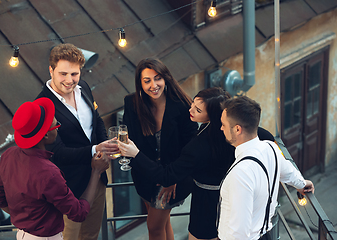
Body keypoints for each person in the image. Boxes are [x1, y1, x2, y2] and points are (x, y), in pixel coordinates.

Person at [119, 87, 276, 240]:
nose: (191, 110)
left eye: (198, 110)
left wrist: (135, 154)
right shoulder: (237, 132)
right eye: (193, 104)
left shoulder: (198, 146)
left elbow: (166, 177)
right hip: (232, 198)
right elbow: (268, 137)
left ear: (213, 115)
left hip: (206, 205)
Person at [0, 98, 109, 240]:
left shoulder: (8, 155)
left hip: (22, 235)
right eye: (55, 125)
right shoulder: (49, 173)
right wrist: (96, 172)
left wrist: (25, 220)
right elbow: (79, 213)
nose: (58, 127)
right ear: (46, 135)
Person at [36, 43, 119, 240]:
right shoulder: (41, 105)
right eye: (63, 73)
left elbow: (97, 119)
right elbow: (57, 152)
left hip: (97, 178)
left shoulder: (84, 87)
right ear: (51, 70)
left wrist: (105, 146)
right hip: (68, 188)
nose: (69, 80)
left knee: (91, 235)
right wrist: (94, 149)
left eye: (74, 74)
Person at [218, 96, 314, 240]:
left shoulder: (240, 174)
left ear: (237, 129)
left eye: (223, 124)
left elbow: (239, 233)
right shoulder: (271, 148)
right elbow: (289, 173)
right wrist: (302, 184)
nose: (221, 128)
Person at [122, 58, 198, 240]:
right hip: (146, 175)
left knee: (154, 227)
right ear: (140, 83)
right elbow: (128, 136)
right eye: (147, 80)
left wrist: (172, 177)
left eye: (158, 78)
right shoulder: (132, 104)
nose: (153, 85)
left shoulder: (182, 106)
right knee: (163, 224)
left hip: (173, 179)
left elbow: (190, 149)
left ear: (166, 79)